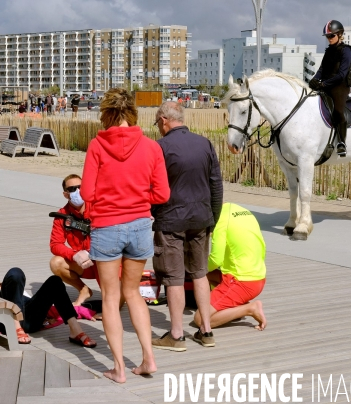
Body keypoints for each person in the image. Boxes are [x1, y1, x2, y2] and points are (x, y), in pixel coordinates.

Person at [81, 88, 170, 383]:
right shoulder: (151, 147)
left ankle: (118, 368)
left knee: (110, 296)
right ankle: (148, 358)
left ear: (106, 114)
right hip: (140, 225)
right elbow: (162, 193)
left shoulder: (97, 145)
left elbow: (87, 193)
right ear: (132, 113)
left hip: (107, 226)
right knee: (134, 294)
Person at [150, 101, 223, 351]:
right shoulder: (205, 143)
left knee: (174, 277)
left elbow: (153, 187)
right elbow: (216, 184)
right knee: (200, 274)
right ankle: (206, 330)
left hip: (171, 219)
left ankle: (177, 334)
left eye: (157, 124)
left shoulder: (160, 147)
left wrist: (153, 213)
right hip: (202, 218)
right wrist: (213, 217)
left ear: (163, 120)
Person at [193, 203, 267, 331]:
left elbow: (216, 259)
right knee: (208, 275)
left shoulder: (221, 221)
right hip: (258, 276)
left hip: (241, 282)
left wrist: (194, 268)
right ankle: (229, 304)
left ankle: (249, 309)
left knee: (200, 319)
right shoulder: (242, 211)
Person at [0, 267, 97, 347]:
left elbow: (56, 306)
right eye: (0, 285)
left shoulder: (22, 291)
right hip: (7, 318)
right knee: (15, 272)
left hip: (29, 317)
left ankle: (75, 330)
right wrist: (4, 287)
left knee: (55, 281)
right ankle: (15, 325)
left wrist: (87, 312)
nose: (0, 284)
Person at [50, 174, 97, 306]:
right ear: (65, 194)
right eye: (72, 189)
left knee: (117, 303)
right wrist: (74, 255)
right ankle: (84, 290)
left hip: (104, 260)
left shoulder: (98, 208)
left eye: (80, 187)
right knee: (56, 263)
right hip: (83, 263)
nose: (77, 192)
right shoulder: (62, 215)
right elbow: (55, 244)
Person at [309, 20, 351, 157]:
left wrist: (324, 84)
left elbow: (341, 74)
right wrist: (314, 80)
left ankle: (341, 142)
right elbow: (322, 69)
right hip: (326, 84)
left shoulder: (347, 51)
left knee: (338, 111)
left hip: (340, 87)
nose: (329, 39)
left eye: (331, 36)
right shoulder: (329, 51)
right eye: (327, 37)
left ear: (340, 34)